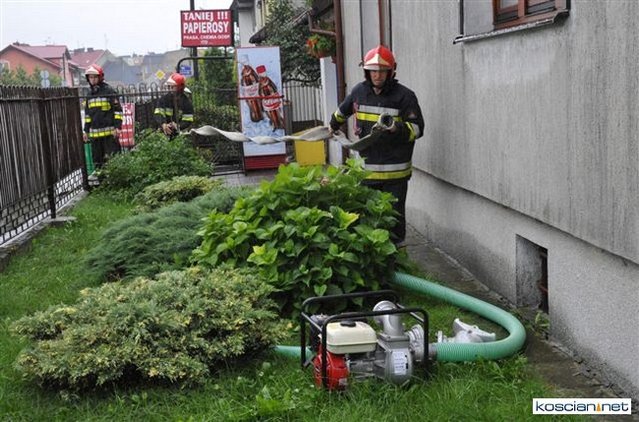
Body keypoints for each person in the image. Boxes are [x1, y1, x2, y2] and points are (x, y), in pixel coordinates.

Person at [330, 45, 424, 245]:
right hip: (367, 173)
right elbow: (342, 112)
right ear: (367, 72)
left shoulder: (405, 96)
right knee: (369, 221)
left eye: (382, 71)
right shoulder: (359, 92)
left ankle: (397, 256)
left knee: (394, 221)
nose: (377, 75)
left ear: (391, 72)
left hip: (395, 176)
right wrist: (332, 126)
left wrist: (397, 128)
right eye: (373, 71)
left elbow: (417, 129)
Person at [83, 64, 122, 169]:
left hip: (109, 135)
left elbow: (118, 111)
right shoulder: (89, 95)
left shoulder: (109, 91)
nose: (93, 79)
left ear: (100, 77)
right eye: (90, 77)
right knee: (98, 162)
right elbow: (87, 115)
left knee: (113, 161)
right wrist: (86, 131)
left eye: (95, 77)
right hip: (95, 137)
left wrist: (117, 127)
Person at [154, 73, 194, 138]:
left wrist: (178, 126)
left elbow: (188, 120)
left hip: (180, 133)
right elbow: (158, 113)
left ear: (179, 87)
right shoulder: (164, 99)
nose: (170, 89)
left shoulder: (186, 103)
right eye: (169, 86)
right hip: (164, 132)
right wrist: (163, 124)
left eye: (172, 87)